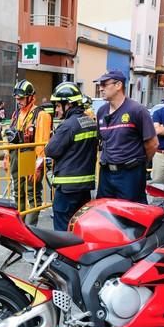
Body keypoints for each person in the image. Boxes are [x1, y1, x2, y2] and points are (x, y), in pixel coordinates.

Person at [95, 70, 158, 204]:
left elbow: (152, 144)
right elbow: (104, 141)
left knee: (131, 215)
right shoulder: (101, 112)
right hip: (106, 173)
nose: (100, 88)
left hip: (130, 174)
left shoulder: (137, 110)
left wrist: (138, 163)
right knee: (105, 212)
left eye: (104, 84)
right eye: (100, 85)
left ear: (118, 85)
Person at [46, 82, 98, 231]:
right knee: (80, 226)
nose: (57, 110)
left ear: (68, 104)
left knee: (63, 229)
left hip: (67, 188)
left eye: (58, 105)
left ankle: (64, 255)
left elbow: (51, 150)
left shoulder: (68, 125)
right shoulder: (90, 122)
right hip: (85, 187)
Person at [4, 79, 53, 225]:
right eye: (17, 98)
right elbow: (10, 135)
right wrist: (6, 156)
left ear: (31, 97)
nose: (18, 100)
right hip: (16, 156)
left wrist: (38, 166)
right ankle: (20, 226)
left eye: (21, 98)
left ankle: (31, 229)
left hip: (31, 157)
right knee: (18, 192)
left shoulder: (41, 115)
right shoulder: (16, 114)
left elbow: (42, 143)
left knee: (32, 193)